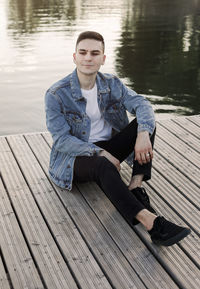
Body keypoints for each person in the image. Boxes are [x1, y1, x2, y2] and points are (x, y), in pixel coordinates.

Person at [45, 31, 191, 246]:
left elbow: (142, 105)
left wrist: (143, 134)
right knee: (103, 165)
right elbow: (61, 141)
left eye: (95, 53)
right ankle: (152, 223)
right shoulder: (56, 94)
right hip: (74, 157)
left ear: (103, 59)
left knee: (146, 123)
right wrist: (99, 153)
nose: (88, 58)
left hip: (107, 148)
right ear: (74, 57)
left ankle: (135, 185)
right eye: (83, 52)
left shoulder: (111, 83)